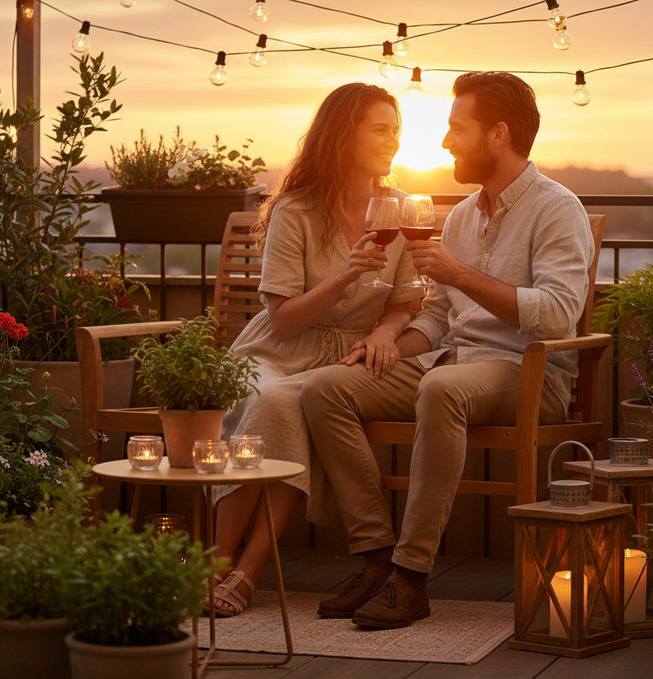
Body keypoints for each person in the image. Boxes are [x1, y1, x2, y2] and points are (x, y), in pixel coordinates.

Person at [301, 71, 595, 629]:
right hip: (452, 365)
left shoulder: (558, 209)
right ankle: (377, 560)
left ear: (498, 135)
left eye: (457, 129)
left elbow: (558, 314)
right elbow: (438, 315)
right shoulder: (461, 215)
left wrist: (463, 274)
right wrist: (388, 340)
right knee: (325, 388)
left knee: (440, 389)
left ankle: (412, 577)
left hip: (526, 374)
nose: (444, 142)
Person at [207, 83, 424, 617]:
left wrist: (384, 332)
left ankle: (246, 570)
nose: (391, 139)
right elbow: (283, 320)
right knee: (276, 401)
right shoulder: (295, 210)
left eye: (395, 128)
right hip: (277, 352)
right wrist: (346, 271)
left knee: (300, 404)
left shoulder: (398, 209)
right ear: (341, 134)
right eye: (379, 128)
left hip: (348, 358)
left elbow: (405, 302)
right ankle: (217, 564)